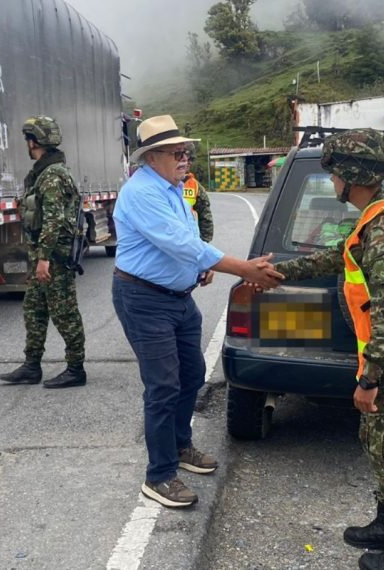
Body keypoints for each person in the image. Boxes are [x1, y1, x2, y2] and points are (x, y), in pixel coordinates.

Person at [268, 128, 384, 570]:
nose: (332, 183)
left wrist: (370, 378)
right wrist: (278, 271)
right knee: (380, 444)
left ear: (353, 174)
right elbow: (339, 256)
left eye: (334, 175)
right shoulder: (383, 215)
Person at [112, 115, 283, 509]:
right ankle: (159, 475)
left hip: (177, 297)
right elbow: (178, 243)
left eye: (186, 151)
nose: (185, 157)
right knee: (163, 386)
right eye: (177, 152)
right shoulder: (142, 193)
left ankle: (180, 445)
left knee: (191, 376)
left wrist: (201, 266)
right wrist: (242, 268)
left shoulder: (174, 187)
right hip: (144, 299)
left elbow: (188, 241)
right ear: (151, 157)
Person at [0, 116, 87, 389]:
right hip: (43, 253)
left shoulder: (52, 175)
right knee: (34, 309)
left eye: (27, 139)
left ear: (34, 141)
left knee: (64, 313)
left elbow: (54, 220)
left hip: (54, 257)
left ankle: (76, 369)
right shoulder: (43, 172)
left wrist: (44, 259)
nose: (27, 143)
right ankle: (31, 366)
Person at [182, 150, 214, 243]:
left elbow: (205, 215)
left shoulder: (194, 185)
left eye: (191, 159)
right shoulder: (161, 182)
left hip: (189, 241)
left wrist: (204, 243)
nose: (188, 162)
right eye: (186, 157)